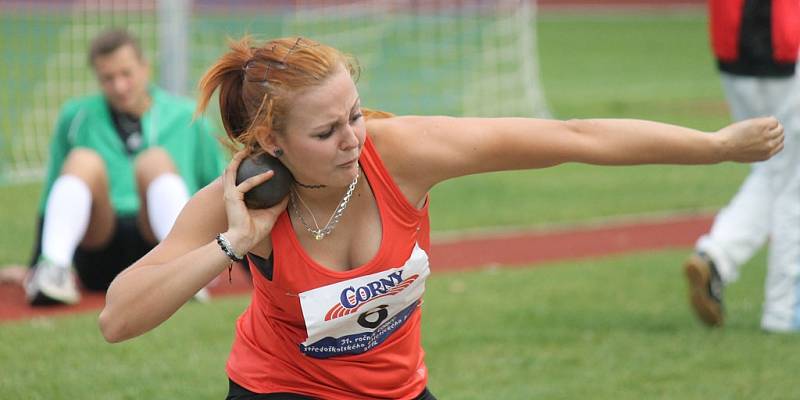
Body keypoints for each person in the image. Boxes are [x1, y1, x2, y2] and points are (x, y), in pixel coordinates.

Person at [98, 36, 783, 399]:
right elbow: (117, 317)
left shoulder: (402, 156)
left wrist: (717, 149)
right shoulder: (242, 201)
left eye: (356, 114)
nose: (354, 138)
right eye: (327, 131)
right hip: (281, 392)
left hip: (399, 391)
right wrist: (233, 243)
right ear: (272, 143)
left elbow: (575, 138)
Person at [23, 29, 226, 306]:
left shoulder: (187, 116)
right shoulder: (76, 116)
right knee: (83, 160)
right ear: (97, 79)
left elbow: (221, 188)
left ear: (145, 68)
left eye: (126, 74)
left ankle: (185, 268)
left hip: (163, 245)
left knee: (154, 160)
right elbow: (52, 193)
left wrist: (242, 258)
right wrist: (36, 260)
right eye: (108, 78)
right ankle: (53, 270)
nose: (119, 86)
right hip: (100, 248)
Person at [683, 0, 800, 332]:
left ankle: (717, 257)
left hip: (733, 47)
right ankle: (784, 310)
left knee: (773, 168)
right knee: (793, 180)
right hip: (784, 44)